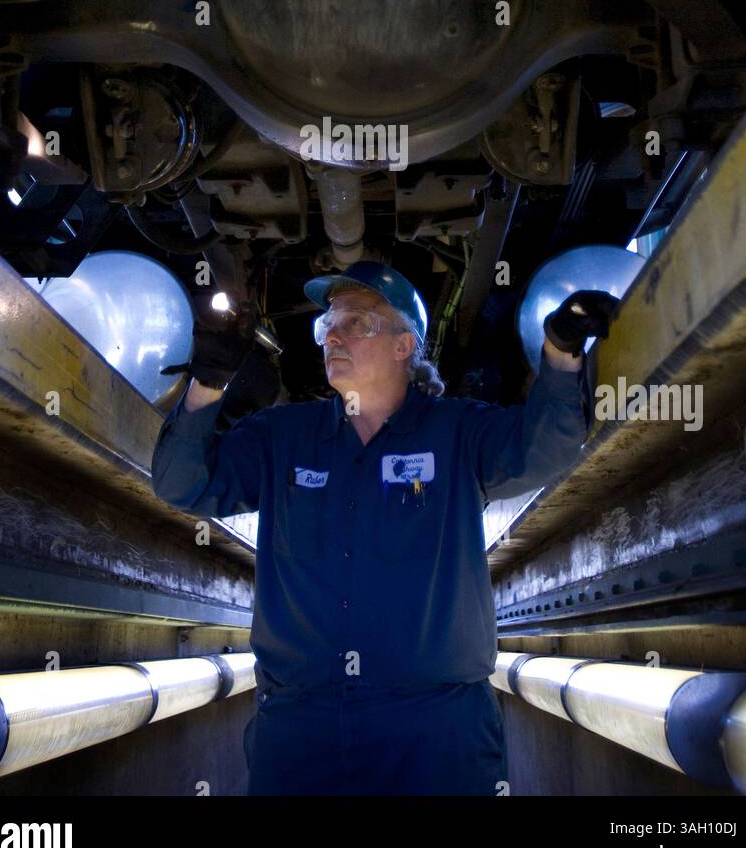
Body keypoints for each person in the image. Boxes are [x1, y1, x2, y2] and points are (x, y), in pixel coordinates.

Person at [151, 261, 617, 796]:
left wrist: (560, 349)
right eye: (328, 325)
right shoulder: (281, 437)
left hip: (436, 732)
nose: (333, 337)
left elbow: (547, 448)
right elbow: (181, 486)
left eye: (357, 323)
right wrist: (208, 384)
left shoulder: (458, 432)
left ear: (404, 345)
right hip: (302, 731)